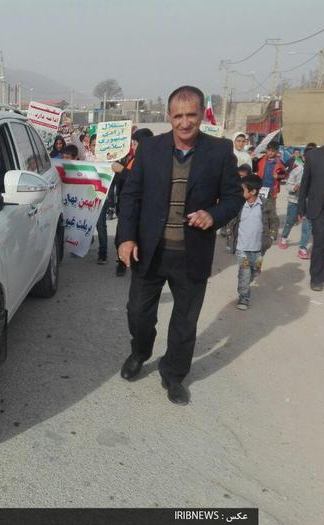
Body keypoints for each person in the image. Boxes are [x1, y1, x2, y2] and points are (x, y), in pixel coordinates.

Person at [117, 85, 243, 405]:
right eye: (178, 116)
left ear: (201, 115)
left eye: (191, 115)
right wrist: (127, 237)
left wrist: (212, 215)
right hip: (151, 250)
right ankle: (140, 351)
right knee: (138, 313)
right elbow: (131, 196)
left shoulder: (219, 151)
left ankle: (173, 374)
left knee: (185, 322)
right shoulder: (150, 149)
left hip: (192, 252)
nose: (185, 123)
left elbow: (233, 198)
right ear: (169, 117)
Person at [226, 175, 279, 310]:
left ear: (253, 191)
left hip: (259, 248)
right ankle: (244, 297)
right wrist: (229, 236)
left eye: (242, 190)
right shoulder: (239, 205)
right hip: (242, 248)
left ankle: (244, 280)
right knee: (245, 271)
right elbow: (231, 222)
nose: (239, 193)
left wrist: (272, 237)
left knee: (255, 270)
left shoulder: (266, 204)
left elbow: (274, 221)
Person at [297, 118, 324, 291]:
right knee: (320, 239)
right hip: (320, 206)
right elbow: (304, 184)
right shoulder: (314, 156)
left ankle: (320, 259)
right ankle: (317, 278)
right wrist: (300, 208)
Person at [112, 128, 154, 276]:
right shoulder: (133, 158)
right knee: (121, 237)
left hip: (140, 210)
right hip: (125, 207)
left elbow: (141, 181)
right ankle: (122, 262)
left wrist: (122, 171)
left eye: (135, 144)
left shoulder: (151, 161)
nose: (133, 147)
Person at [279, 146, 312, 258]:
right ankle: (284, 237)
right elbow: (288, 185)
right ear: (303, 157)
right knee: (290, 221)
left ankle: (302, 248)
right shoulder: (297, 170)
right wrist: (294, 188)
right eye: (309, 157)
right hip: (294, 201)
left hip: (309, 203)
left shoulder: (318, 172)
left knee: (307, 226)